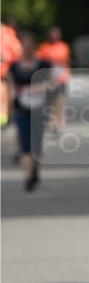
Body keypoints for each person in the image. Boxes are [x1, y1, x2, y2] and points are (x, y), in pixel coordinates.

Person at [7, 32, 52, 191]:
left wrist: (39, 88)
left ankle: (34, 169)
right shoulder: (14, 67)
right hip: (22, 109)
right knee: (25, 144)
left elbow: (50, 84)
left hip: (39, 109)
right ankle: (28, 177)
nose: (27, 49)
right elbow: (11, 88)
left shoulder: (43, 65)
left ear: (34, 47)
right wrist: (10, 107)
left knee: (36, 145)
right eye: (24, 46)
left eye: (29, 45)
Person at [36, 25, 71, 134]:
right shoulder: (43, 47)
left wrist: (65, 76)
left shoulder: (63, 47)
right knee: (49, 102)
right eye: (52, 34)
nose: (54, 36)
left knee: (60, 101)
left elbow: (66, 62)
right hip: (48, 79)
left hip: (61, 78)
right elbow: (40, 64)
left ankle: (59, 123)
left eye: (56, 34)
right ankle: (51, 123)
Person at [1, 21, 23, 128]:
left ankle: (7, 117)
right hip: (8, 72)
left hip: (6, 72)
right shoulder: (12, 40)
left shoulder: (7, 38)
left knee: (6, 95)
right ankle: (9, 117)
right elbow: (18, 54)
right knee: (9, 95)